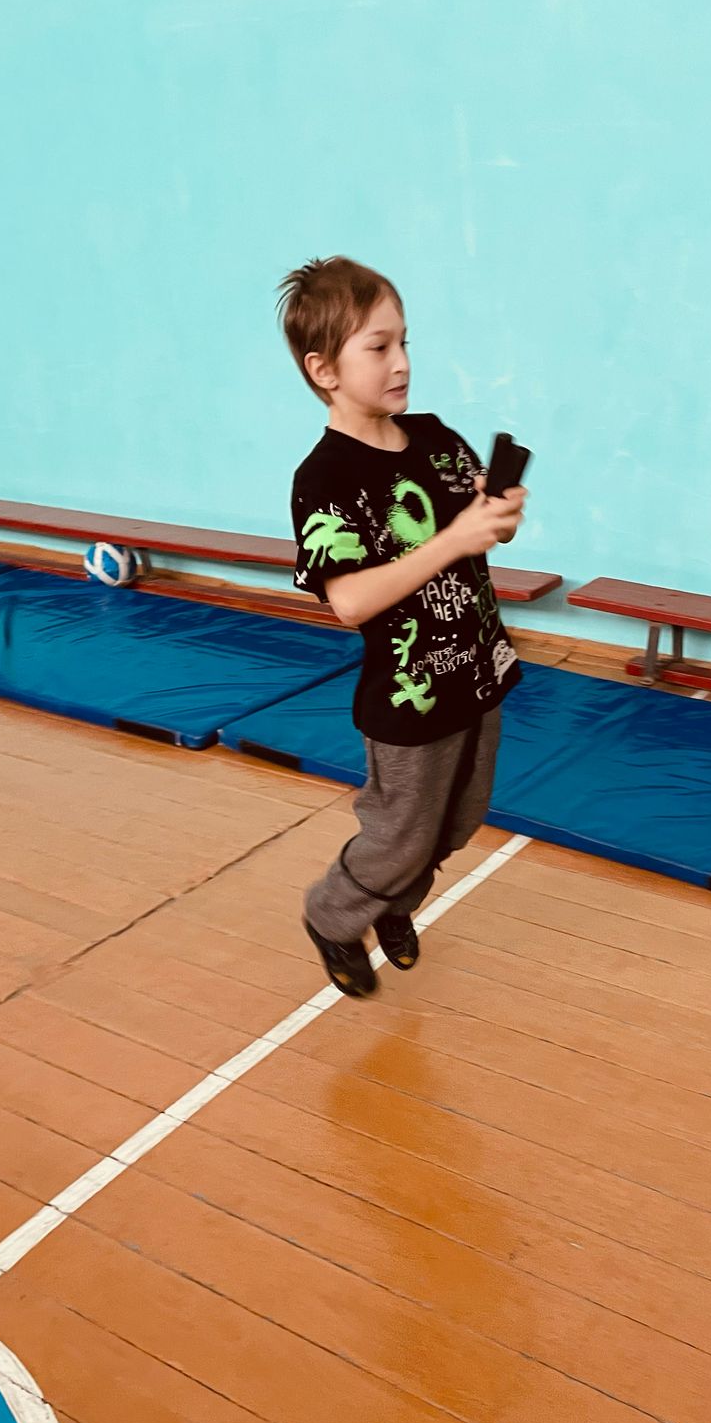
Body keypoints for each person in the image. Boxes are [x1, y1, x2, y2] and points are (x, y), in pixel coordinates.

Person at [278, 256, 526, 996]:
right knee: (401, 833)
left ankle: (392, 904)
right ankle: (332, 916)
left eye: (405, 342)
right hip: (408, 698)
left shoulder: (436, 437)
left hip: (476, 671)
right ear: (324, 370)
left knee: (459, 821)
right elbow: (350, 601)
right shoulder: (324, 478)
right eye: (379, 347)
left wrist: (498, 518)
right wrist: (452, 540)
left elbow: (486, 535)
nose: (402, 363)